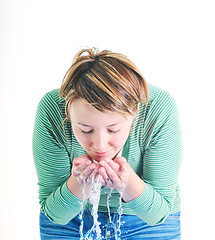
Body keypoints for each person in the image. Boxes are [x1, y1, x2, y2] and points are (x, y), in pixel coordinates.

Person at [33, 48, 182, 239]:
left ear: (135, 111)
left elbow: (158, 214)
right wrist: (80, 184)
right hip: (70, 217)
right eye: (85, 130)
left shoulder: (158, 108)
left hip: (145, 217)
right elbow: (55, 215)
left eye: (113, 129)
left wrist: (126, 183)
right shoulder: (52, 109)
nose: (100, 146)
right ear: (68, 109)